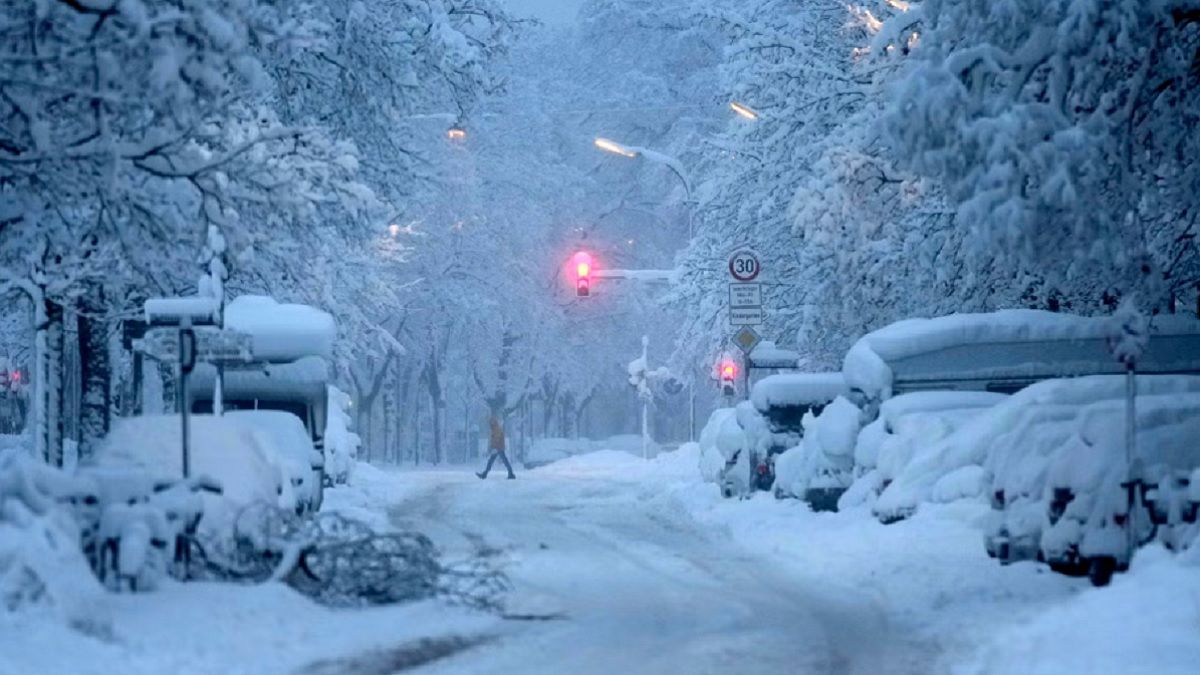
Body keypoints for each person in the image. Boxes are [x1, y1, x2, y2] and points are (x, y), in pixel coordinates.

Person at [477, 414, 516, 480]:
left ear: (493, 422)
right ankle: (485, 474)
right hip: (498, 448)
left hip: (498, 448)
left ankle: (485, 474)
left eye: (490, 422)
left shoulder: (496, 429)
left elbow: (496, 439)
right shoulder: (495, 428)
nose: (489, 424)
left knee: (500, 461)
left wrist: (493, 447)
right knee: (497, 461)